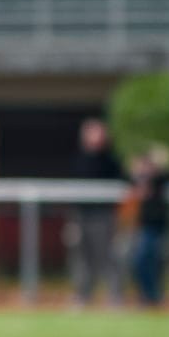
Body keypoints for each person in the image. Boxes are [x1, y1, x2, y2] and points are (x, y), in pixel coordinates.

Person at [70, 118, 125, 307]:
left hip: (104, 216)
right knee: (82, 259)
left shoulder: (111, 160)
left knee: (108, 256)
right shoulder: (78, 160)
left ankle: (114, 296)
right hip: (82, 215)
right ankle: (82, 296)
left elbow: (122, 183)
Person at [129, 145, 169, 306]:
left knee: (154, 262)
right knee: (141, 261)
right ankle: (147, 294)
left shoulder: (160, 180)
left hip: (157, 227)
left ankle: (153, 295)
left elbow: (167, 176)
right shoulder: (137, 180)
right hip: (141, 227)